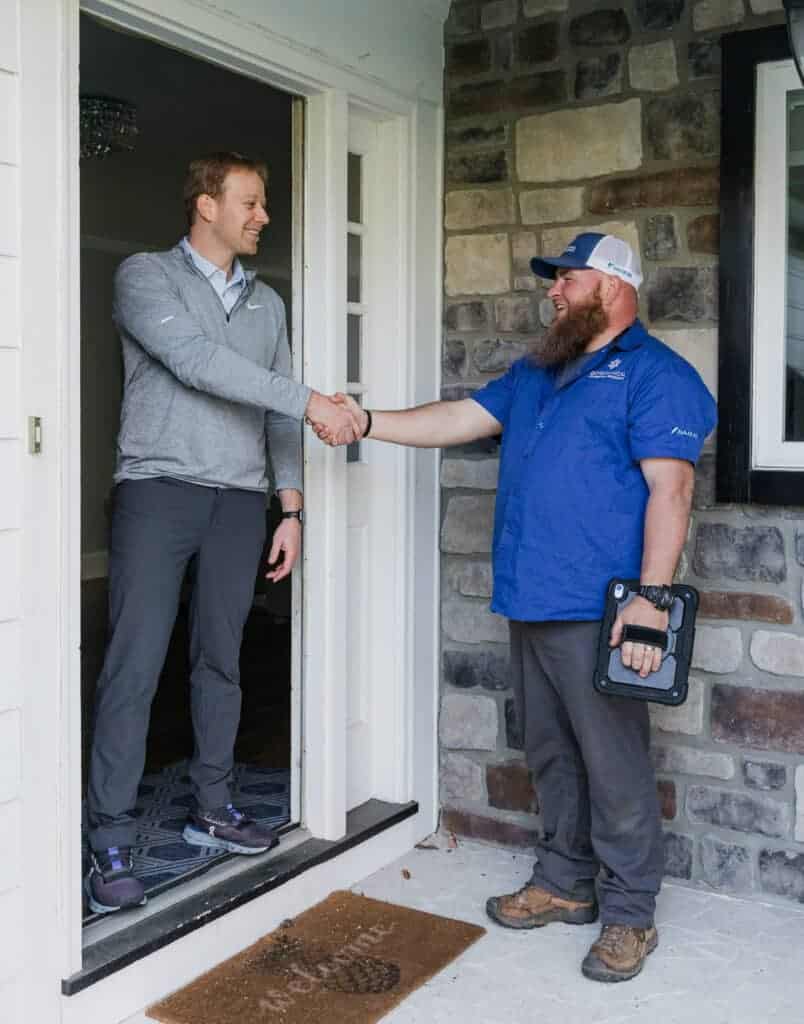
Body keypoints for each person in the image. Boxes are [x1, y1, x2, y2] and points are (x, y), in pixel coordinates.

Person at [317, 233, 717, 983]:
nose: (554, 292)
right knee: (551, 751)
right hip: (533, 596)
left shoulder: (658, 376)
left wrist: (652, 610)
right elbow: (458, 420)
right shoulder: (540, 371)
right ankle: (565, 884)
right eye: (555, 281)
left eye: (568, 279)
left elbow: (674, 491)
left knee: (614, 761)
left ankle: (630, 913)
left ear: (615, 285)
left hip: (604, 609)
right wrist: (366, 421)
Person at [85, 152, 360, 915]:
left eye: (264, 203)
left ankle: (213, 804)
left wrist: (292, 508)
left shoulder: (267, 305)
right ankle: (108, 832)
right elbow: (197, 363)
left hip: (239, 502)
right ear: (205, 204)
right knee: (133, 666)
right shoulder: (146, 276)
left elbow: (273, 413)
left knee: (222, 659)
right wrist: (314, 400)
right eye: (250, 201)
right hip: (157, 491)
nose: (263, 215)